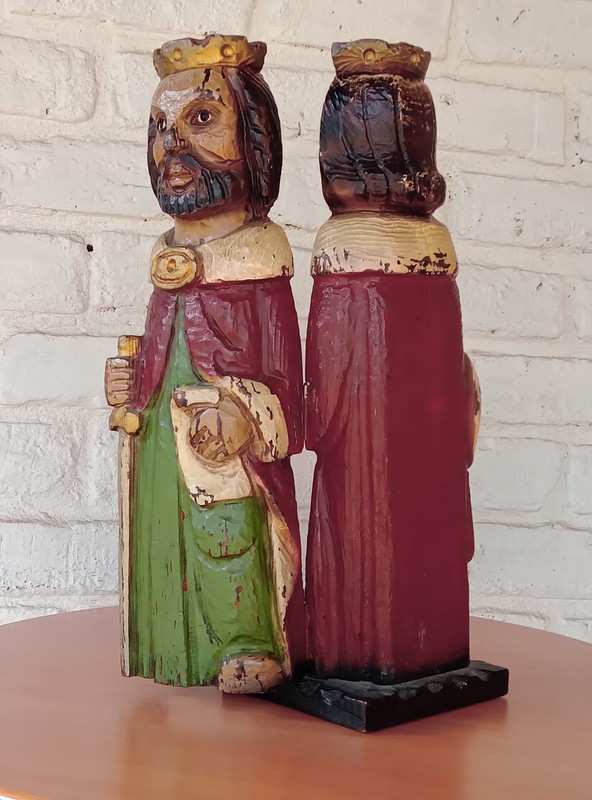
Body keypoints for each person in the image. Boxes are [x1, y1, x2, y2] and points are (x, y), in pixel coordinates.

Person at [105, 35, 305, 693]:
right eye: (160, 128)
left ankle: (251, 642)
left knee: (229, 542)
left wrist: (248, 413)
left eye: (200, 119)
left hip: (228, 460)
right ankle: (173, 644)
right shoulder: (168, 258)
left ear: (255, 139)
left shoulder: (260, 263)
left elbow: (290, 388)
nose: (172, 146)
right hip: (167, 450)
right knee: (169, 542)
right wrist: (131, 387)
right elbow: (164, 355)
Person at [305, 40, 480, 684]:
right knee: (378, 526)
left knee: (393, 527)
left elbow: (332, 385)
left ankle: (391, 654)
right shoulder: (384, 244)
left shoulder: (372, 245)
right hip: (383, 437)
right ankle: (382, 651)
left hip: (404, 432)